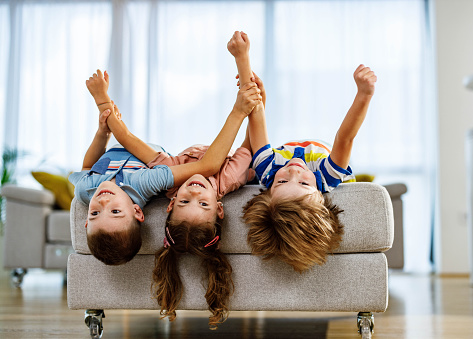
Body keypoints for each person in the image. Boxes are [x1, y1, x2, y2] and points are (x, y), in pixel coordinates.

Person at [82, 70, 261, 329]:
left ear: (171, 202)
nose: (194, 194)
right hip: (191, 160)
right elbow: (220, 160)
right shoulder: (223, 177)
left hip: (160, 159)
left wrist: (103, 122)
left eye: (184, 202)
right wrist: (254, 106)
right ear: (219, 209)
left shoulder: (156, 179)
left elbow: (113, 149)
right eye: (202, 204)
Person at [227, 31, 377, 273]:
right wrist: (364, 94)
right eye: (304, 185)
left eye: (282, 181)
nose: (293, 171)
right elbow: (345, 138)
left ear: (269, 190)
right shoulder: (326, 176)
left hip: (290, 148)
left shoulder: (268, 170)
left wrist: (242, 59)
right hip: (320, 153)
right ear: (321, 198)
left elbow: (255, 115)